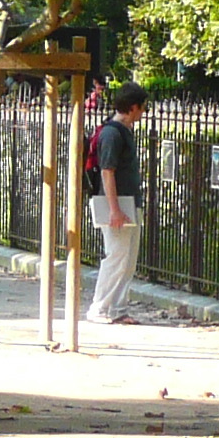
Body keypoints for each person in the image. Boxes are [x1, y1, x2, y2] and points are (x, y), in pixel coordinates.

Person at [85, 84, 150, 322]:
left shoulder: (121, 131)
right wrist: (114, 209)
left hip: (126, 201)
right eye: (142, 107)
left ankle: (117, 309)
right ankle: (100, 308)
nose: (143, 112)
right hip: (117, 203)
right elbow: (107, 172)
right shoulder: (113, 134)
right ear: (133, 108)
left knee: (127, 259)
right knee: (116, 256)